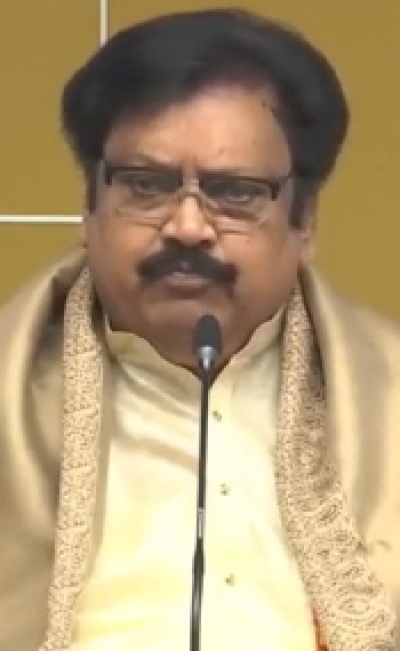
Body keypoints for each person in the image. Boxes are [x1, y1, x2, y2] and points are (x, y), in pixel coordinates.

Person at [0, 6, 399, 651]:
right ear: (89, 208)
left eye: (235, 192)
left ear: (305, 222)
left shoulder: (388, 400)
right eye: (146, 185)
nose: (187, 226)